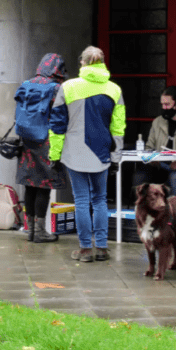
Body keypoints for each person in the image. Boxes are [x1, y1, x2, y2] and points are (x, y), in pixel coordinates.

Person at [49, 46, 126, 262]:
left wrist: (54, 155)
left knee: (81, 200)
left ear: (82, 62)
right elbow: (118, 128)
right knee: (100, 200)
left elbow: (57, 125)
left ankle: (85, 249)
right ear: (102, 62)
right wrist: (116, 157)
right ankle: (101, 247)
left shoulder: (68, 87)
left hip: (74, 152)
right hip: (102, 152)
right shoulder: (114, 89)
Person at [15, 53, 68, 243]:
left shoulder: (26, 84)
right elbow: (61, 116)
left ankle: (29, 230)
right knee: (44, 186)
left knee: (30, 185)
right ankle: (39, 231)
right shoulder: (56, 88)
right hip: (47, 141)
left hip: (27, 140)